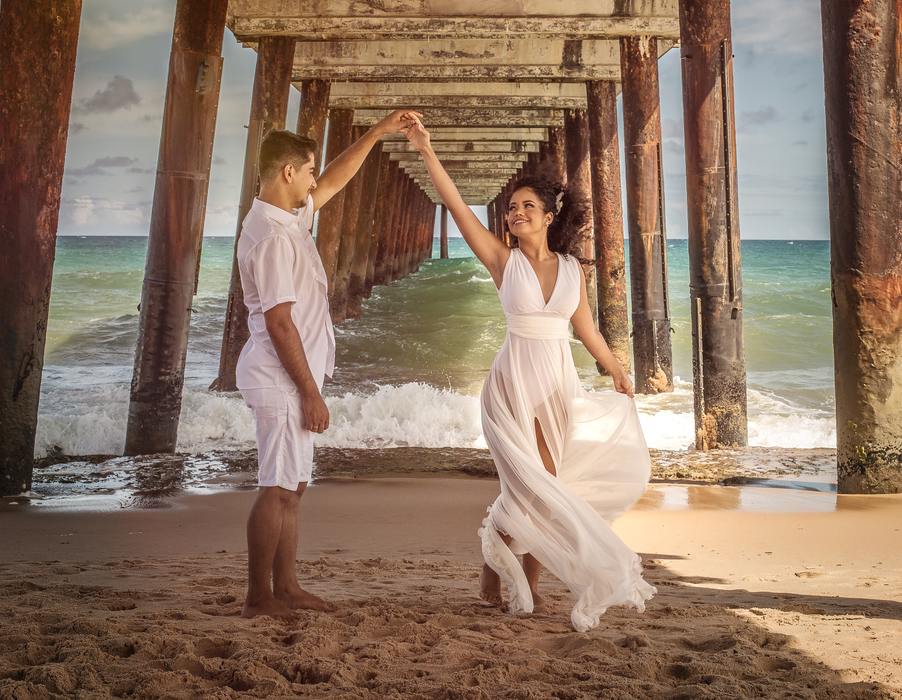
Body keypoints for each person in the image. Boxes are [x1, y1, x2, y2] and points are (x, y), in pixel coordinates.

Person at [404, 118, 656, 632]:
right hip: (510, 382)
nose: (516, 213)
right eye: (512, 208)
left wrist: (615, 369)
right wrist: (427, 150)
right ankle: (511, 579)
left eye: (526, 207)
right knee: (532, 485)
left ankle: (513, 578)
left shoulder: (571, 269)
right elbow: (455, 206)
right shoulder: (503, 261)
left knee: (545, 486)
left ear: (548, 216)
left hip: (555, 383)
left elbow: (585, 330)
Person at [236, 110, 421, 622]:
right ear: (287, 172)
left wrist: (378, 132)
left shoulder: (287, 218)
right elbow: (278, 324)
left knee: (292, 486)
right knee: (276, 486)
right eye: (308, 170)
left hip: (293, 379)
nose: (315, 179)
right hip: (281, 380)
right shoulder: (272, 237)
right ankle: (258, 597)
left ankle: (287, 586)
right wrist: (310, 393)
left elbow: (335, 178)